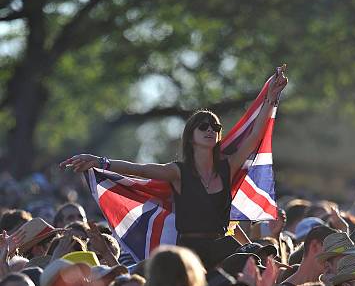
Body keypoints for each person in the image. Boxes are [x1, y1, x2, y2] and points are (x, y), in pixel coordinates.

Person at [60, 68, 288, 268]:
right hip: (189, 251)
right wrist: (101, 162)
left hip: (221, 246)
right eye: (203, 127)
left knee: (254, 264)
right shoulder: (178, 171)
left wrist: (271, 97)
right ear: (190, 137)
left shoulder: (228, 166)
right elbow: (140, 170)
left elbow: (256, 135)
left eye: (215, 127)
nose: (211, 130)